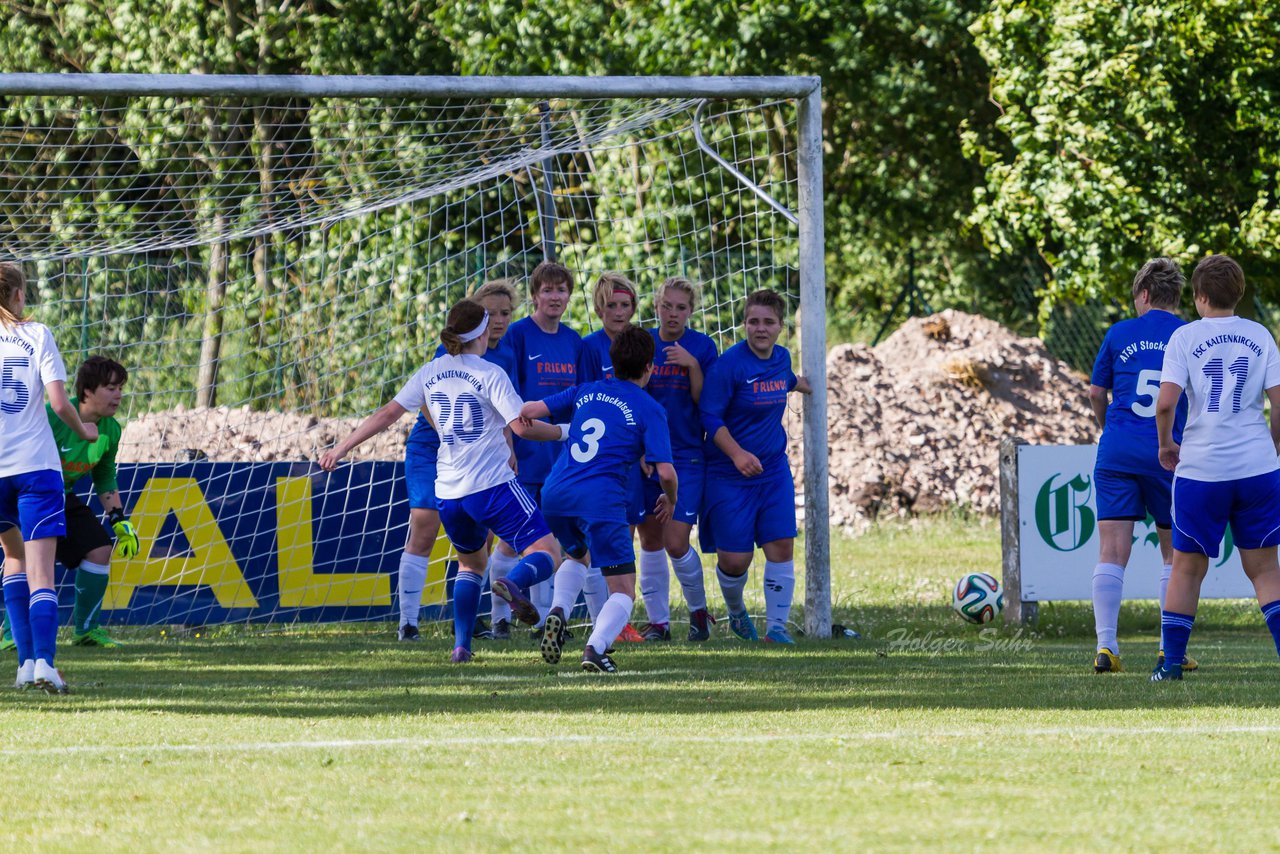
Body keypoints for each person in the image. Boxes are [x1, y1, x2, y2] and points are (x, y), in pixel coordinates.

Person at [320, 299, 566, 663]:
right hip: (492, 485)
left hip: (449, 492)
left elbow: (388, 413)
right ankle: (514, 583)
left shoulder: (431, 371)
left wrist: (342, 447)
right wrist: (564, 432)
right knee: (548, 552)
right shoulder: (489, 373)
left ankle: (462, 647)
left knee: (470, 565)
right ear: (482, 333)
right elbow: (521, 428)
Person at [1151, 255, 1280, 681]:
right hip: (1256, 467)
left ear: (1200, 296)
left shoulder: (1185, 338)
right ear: (1238, 294)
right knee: (1264, 568)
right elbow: (1278, 403)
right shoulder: (1260, 334)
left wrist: (1167, 443)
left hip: (1202, 469)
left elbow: (1166, 401)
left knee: (1187, 567)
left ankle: (1170, 666)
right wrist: (1272, 445)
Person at [521, 324, 677, 673]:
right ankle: (595, 648)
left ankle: (558, 610)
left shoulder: (587, 391)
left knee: (577, 556)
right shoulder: (650, 408)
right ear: (650, 367)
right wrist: (671, 500)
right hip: (601, 499)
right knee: (623, 588)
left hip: (556, 491)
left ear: (612, 362)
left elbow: (530, 410)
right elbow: (665, 472)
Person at [396, 279, 517, 642]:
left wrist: (508, 450)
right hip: (432, 448)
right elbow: (427, 405)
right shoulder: (448, 352)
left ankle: (472, 620)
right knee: (425, 527)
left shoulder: (504, 355)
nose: (497, 320)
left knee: (481, 538)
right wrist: (454, 441)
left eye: (504, 313)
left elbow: (503, 413)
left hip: (477, 456)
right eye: (490, 314)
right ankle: (408, 623)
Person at [1086, 259, 1190, 673]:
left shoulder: (1118, 333)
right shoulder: (1187, 335)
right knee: (1173, 554)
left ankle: (1106, 647)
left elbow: (1097, 392)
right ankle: (1169, 649)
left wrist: (1108, 427)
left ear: (1144, 294)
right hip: (1167, 452)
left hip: (1117, 451)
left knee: (1112, 551)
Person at [0, 262, 97, 693]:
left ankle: (23, 665)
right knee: (42, 573)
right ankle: (45, 665)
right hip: (36, 469)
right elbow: (59, 403)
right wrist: (84, 431)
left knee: (13, 561)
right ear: (19, 295)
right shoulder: (37, 334)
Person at [698, 289, 810, 644]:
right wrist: (737, 454)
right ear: (744, 323)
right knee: (735, 561)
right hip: (729, 474)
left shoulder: (782, 358)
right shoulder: (728, 365)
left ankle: (777, 629)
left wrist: (802, 384)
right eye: (753, 321)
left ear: (780, 327)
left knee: (781, 546)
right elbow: (709, 416)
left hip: (773, 470)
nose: (760, 328)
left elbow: (782, 381)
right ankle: (735, 611)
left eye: (768, 322)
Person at [502, 262, 582, 628]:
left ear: (569, 296)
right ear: (534, 296)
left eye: (561, 290)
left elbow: (580, 398)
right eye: (547, 290)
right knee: (509, 542)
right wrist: (510, 447)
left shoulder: (573, 340)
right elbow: (506, 397)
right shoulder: (517, 335)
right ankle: (499, 620)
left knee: (553, 540)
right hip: (525, 453)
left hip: (561, 455)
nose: (555, 296)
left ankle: (540, 623)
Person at [640, 276, 719, 641]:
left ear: (692, 311)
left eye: (681, 307)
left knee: (676, 541)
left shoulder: (702, 347)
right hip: (647, 457)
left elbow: (709, 405)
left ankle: (699, 614)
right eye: (666, 306)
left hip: (687, 456)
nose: (673, 314)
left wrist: (693, 367)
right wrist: (641, 449)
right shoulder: (644, 344)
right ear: (656, 306)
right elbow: (634, 399)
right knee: (651, 539)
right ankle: (659, 623)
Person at [577, 272, 647, 643]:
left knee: (625, 537)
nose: (618, 312)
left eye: (625, 305)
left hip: (633, 462)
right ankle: (601, 620)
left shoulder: (641, 343)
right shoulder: (589, 348)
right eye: (611, 306)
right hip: (600, 462)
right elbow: (585, 402)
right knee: (595, 542)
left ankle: (620, 622)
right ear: (598, 308)